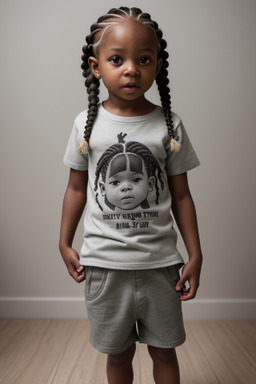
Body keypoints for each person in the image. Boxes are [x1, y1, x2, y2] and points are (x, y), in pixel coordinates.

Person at [59, 6, 203, 384]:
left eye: (143, 59)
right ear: (95, 66)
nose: (131, 69)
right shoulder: (85, 126)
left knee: (164, 351)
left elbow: (182, 196)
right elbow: (76, 187)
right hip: (104, 267)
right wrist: (64, 242)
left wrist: (196, 253)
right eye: (117, 59)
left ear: (157, 65)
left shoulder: (169, 125)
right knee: (118, 356)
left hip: (161, 268)